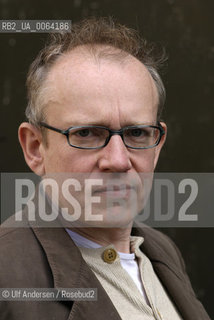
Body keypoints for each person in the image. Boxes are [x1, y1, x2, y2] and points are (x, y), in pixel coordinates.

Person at [0, 17, 210, 320]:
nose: (118, 160)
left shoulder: (161, 251)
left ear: (157, 144)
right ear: (35, 148)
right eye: (86, 133)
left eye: (137, 133)